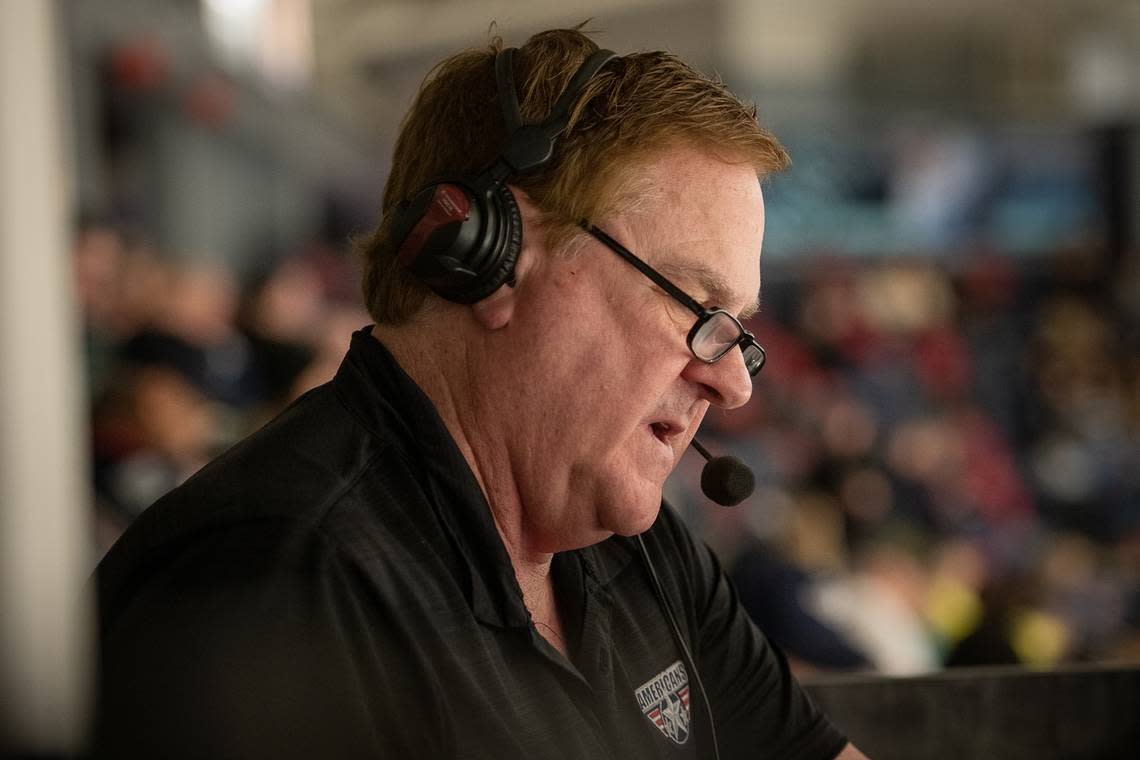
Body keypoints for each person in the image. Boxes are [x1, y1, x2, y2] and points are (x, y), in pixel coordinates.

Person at [93, 27, 868, 760]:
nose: (733, 383)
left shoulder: (645, 552)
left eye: (741, 332)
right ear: (498, 258)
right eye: (699, 308)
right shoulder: (278, 583)